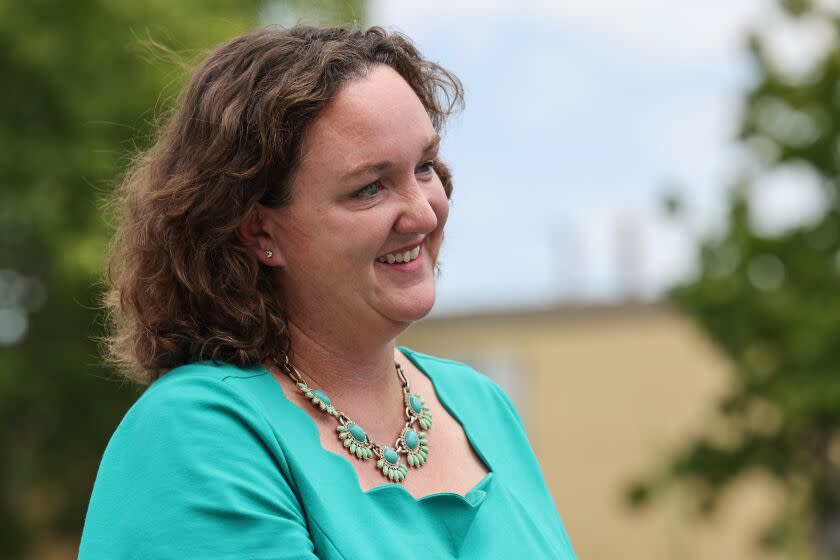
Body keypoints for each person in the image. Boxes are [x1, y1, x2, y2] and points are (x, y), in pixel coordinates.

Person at [78, 25, 577, 559]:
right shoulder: (195, 435)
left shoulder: (483, 406)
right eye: (370, 187)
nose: (425, 212)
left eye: (425, 167)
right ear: (259, 231)